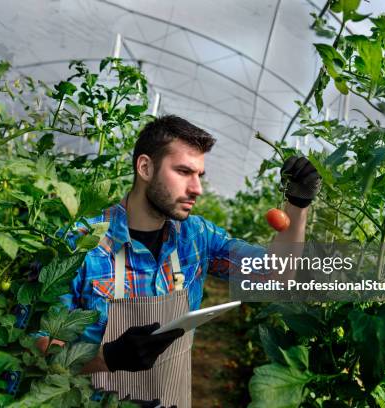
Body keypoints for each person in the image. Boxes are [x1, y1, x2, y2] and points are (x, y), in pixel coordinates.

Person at [37, 115, 321, 407]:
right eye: (184, 172)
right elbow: (38, 349)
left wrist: (297, 205)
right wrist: (105, 358)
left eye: (199, 175)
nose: (197, 188)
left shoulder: (197, 237)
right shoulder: (78, 243)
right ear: (145, 167)